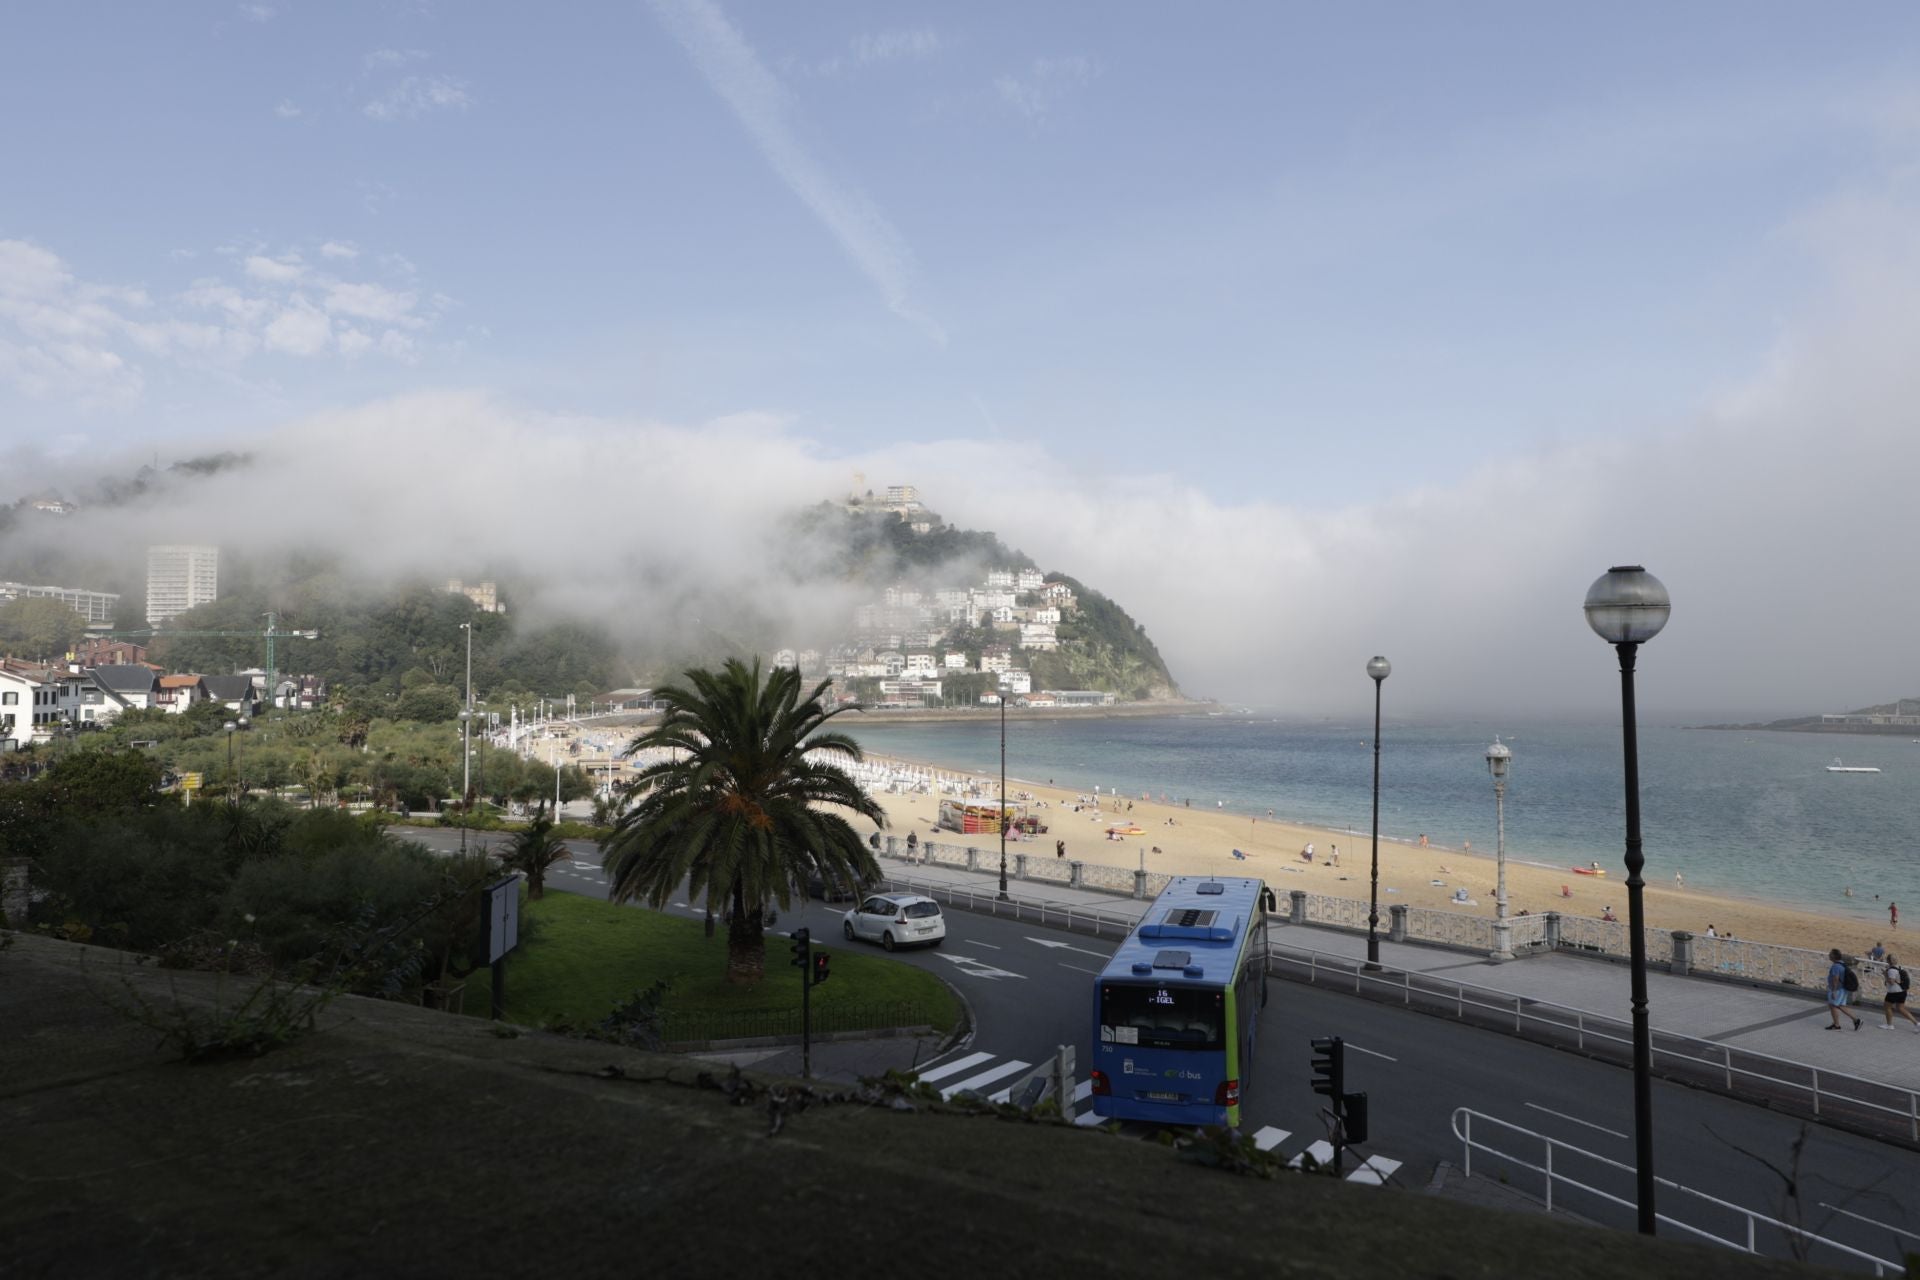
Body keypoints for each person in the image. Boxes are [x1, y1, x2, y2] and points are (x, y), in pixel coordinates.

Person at [1827, 948, 1863, 1031]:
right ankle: (1856, 1020)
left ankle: (1837, 1025)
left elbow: (1836, 979)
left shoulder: (1836, 966)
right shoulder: (1842, 963)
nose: (1829, 955)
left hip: (1838, 989)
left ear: (1834, 957)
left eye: (1830, 954)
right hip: (1843, 989)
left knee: (1833, 1005)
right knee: (1841, 1006)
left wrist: (1834, 991)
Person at [1882, 954, 1918, 1031]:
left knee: (1887, 1006)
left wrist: (1885, 975)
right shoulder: (1900, 967)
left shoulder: (1891, 970)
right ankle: (1917, 1023)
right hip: (1902, 991)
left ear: (1888, 961)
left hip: (1894, 992)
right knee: (1901, 1008)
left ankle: (1889, 1025)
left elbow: (1891, 982)